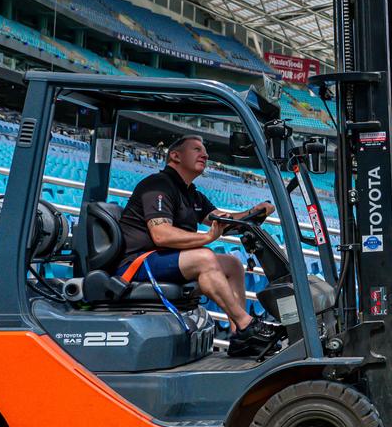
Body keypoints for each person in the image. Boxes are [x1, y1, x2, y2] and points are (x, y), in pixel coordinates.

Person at [117, 134, 279, 358]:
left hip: (167, 260)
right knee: (205, 257)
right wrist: (206, 238)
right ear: (175, 156)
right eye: (196, 149)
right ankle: (246, 323)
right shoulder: (157, 185)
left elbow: (225, 221)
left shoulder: (191, 194)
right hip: (139, 263)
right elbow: (161, 235)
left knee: (232, 265)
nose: (205, 155)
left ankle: (241, 339)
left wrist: (254, 213)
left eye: (205, 151)